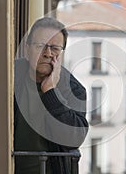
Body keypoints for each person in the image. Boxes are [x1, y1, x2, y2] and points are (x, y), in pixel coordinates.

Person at [14, 17, 89, 174]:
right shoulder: (12, 76)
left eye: (55, 48)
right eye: (40, 46)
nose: (48, 53)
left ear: (62, 54)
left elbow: (74, 139)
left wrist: (50, 92)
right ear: (27, 50)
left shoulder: (74, 89)